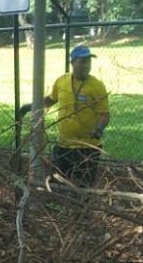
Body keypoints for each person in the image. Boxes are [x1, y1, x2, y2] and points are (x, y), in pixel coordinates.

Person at [42, 45, 110, 184]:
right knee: (58, 180)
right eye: (82, 62)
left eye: (88, 62)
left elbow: (104, 115)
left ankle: (82, 205)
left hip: (87, 147)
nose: (86, 66)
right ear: (72, 62)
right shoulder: (62, 81)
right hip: (64, 144)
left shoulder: (97, 86)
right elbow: (51, 100)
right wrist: (31, 105)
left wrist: (98, 130)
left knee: (83, 184)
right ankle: (60, 204)